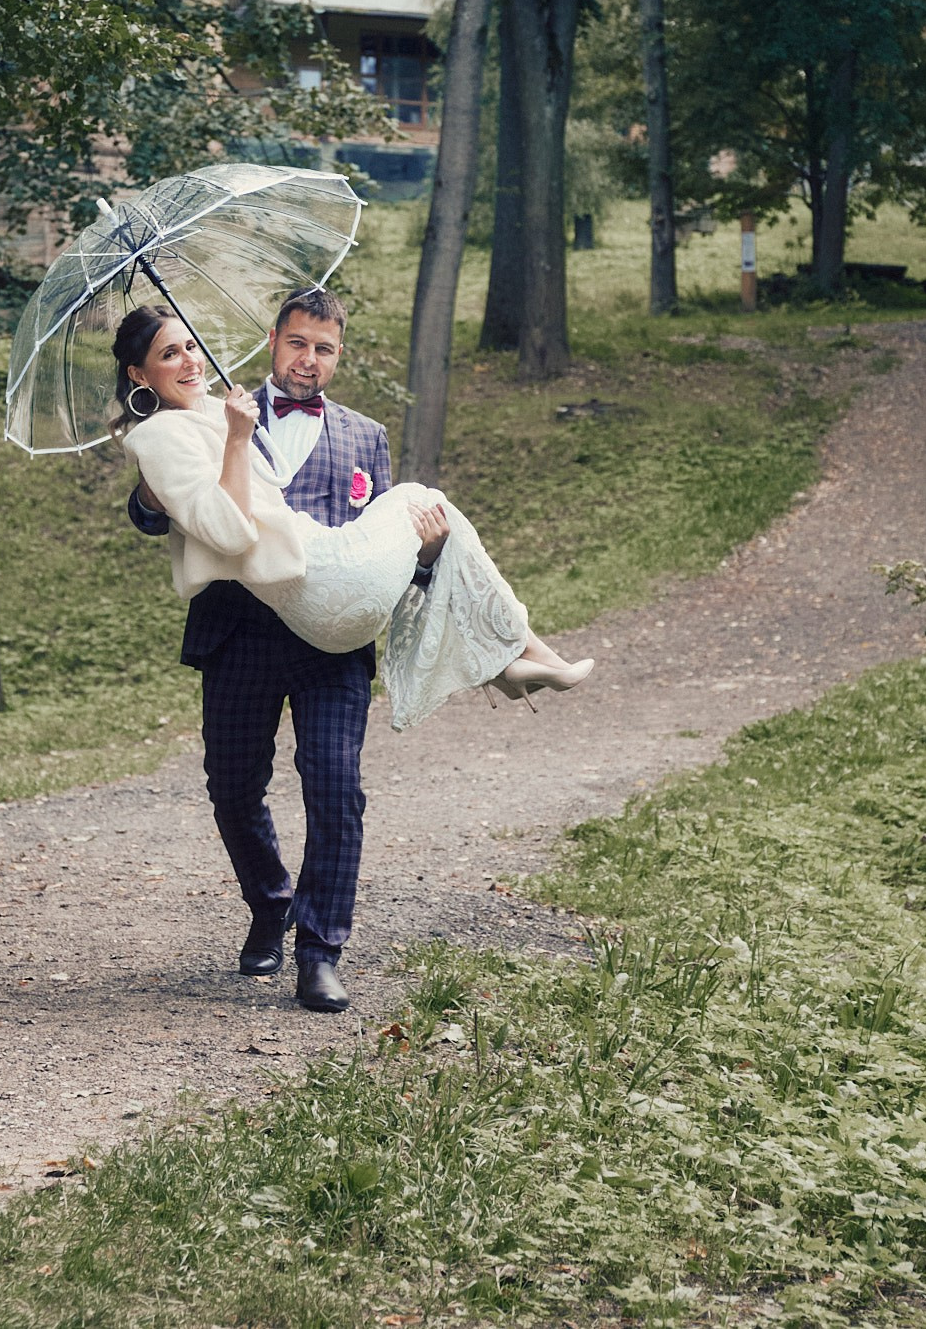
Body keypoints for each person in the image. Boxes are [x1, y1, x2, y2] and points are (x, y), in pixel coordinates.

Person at [123, 288, 590, 1012]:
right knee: (232, 787)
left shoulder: (366, 436)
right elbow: (161, 504)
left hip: (332, 642)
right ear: (272, 340)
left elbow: (381, 551)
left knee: (336, 786)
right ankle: (270, 901)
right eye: (298, 343)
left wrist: (429, 553)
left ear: (340, 355)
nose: (309, 360)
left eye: (326, 349)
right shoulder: (215, 411)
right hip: (240, 630)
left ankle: (321, 949)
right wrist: (154, 497)